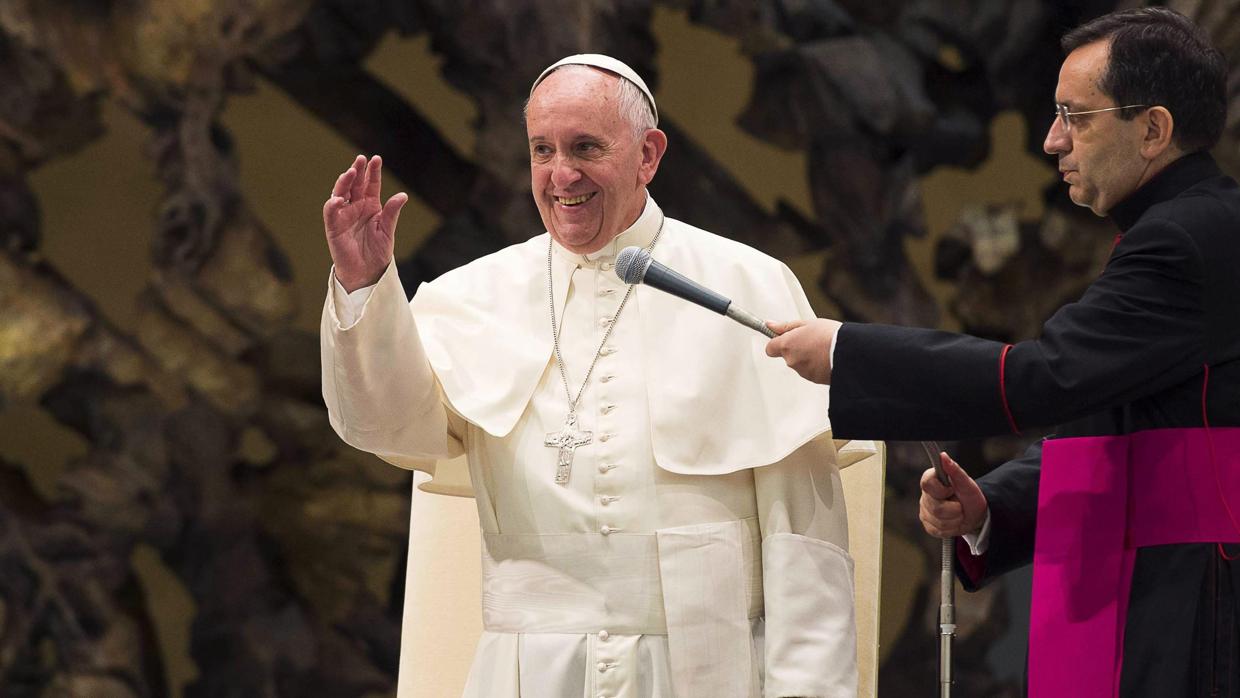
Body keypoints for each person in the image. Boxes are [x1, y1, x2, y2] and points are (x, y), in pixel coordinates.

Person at [321, 54, 864, 698]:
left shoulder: (749, 284)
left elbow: (804, 538)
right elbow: (382, 425)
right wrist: (365, 288)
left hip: (707, 669)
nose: (561, 175)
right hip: (527, 674)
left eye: (585, 147)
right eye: (542, 150)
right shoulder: (471, 296)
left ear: (649, 154)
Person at [766, 7, 1240, 697]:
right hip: (1162, 577)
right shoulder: (1180, 227)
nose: (1052, 141)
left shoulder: (1187, 238)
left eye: (1076, 117)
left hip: (1198, 598)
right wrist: (991, 508)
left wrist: (848, 351)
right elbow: (1115, 430)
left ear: (1153, 129)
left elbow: (1047, 378)